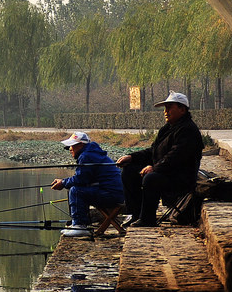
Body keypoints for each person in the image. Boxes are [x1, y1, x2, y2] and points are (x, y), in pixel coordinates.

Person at [116, 91, 203, 227]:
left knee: (151, 178)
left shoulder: (188, 130)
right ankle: (136, 214)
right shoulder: (167, 129)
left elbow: (176, 157)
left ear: (182, 109)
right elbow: (153, 151)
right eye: (165, 108)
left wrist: (154, 168)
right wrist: (131, 157)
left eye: (169, 108)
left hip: (181, 177)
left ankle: (147, 219)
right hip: (166, 172)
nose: (166, 112)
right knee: (129, 171)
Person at [51, 131, 125, 237]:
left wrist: (63, 182)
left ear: (81, 145)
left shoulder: (86, 156)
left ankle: (79, 226)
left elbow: (81, 179)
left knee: (76, 191)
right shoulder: (92, 153)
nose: (70, 149)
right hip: (115, 193)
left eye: (72, 146)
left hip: (111, 195)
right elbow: (84, 178)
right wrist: (65, 182)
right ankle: (77, 224)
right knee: (76, 188)